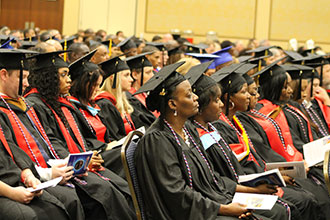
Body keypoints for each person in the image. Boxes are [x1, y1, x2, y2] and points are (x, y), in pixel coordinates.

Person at [134, 62, 286, 220]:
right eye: (188, 95)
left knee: (278, 210)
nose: (196, 97)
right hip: (190, 213)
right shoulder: (158, 140)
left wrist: (253, 190)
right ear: (173, 104)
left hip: (211, 202)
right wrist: (225, 209)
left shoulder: (188, 130)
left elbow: (211, 178)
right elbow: (176, 194)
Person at [187, 62, 323, 220]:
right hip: (228, 193)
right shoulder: (202, 133)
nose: (221, 104)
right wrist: (255, 187)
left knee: (305, 198)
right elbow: (218, 176)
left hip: (240, 184)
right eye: (245, 92)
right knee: (291, 206)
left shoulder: (214, 127)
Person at [24, 50, 136, 220]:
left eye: (68, 74)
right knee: (104, 194)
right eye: (63, 75)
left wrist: (91, 154)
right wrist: (81, 160)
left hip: (80, 161)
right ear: (49, 77)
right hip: (64, 166)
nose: (69, 80)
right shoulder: (35, 104)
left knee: (123, 188)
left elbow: (81, 137)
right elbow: (50, 142)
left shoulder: (61, 103)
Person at [0, 49, 86, 219]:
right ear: (3, 75)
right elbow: (14, 153)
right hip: (14, 181)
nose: (26, 84)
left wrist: (59, 164)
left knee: (72, 199)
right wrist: (42, 174)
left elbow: (40, 142)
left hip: (27, 176)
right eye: (22, 78)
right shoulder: (5, 110)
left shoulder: (24, 105)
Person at [97, 56, 136, 135]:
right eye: (126, 75)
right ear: (112, 78)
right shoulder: (104, 104)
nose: (131, 79)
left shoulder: (123, 101)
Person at [126, 52, 158, 126]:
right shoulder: (130, 98)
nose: (152, 76)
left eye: (152, 71)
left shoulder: (146, 93)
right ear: (135, 75)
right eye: (148, 72)